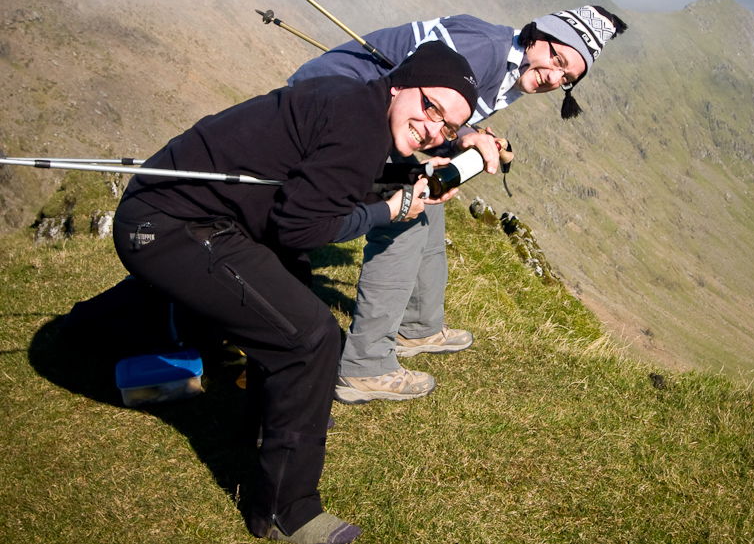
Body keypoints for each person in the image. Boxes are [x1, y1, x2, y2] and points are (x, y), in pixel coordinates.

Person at [112, 41, 479, 544]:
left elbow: (336, 178)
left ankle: (268, 426)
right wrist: (389, 211)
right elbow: (300, 226)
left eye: (449, 126)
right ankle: (288, 512)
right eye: (430, 107)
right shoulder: (356, 122)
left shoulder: (362, 106)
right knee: (308, 337)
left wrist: (413, 177)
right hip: (167, 226)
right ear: (400, 84)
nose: (434, 128)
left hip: (198, 215)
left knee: (291, 292)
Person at [288, 6, 627, 404]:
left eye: (567, 78)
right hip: (329, 115)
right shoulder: (484, 50)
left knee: (427, 199)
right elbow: (424, 92)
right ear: (539, 36)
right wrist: (464, 134)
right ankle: (365, 365)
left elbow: (438, 112)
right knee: (408, 213)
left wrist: (468, 138)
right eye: (557, 59)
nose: (554, 77)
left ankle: (418, 326)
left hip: (365, 116)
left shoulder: (510, 67)